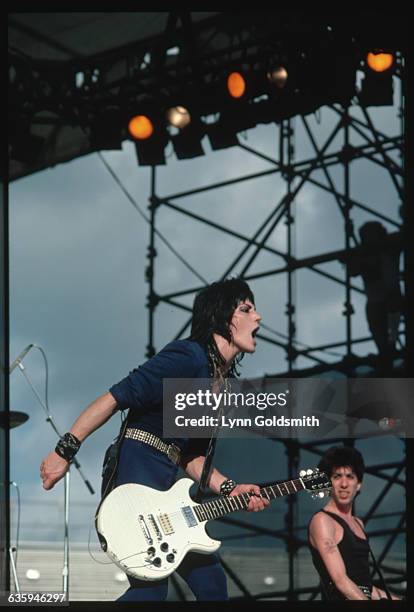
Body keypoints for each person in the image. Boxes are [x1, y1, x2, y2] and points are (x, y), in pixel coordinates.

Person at [40, 278, 269, 601]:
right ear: (222, 317)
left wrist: (232, 489)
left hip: (166, 482)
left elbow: (192, 457)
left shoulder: (222, 388)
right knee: (151, 590)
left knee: (211, 582)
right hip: (138, 465)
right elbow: (115, 396)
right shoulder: (187, 356)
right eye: (246, 309)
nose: (258, 317)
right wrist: (64, 450)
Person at [308, 445, 400, 600]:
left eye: (350, 477)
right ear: (329, 482)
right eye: (337, 476)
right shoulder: (322, 521)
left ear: (359, 484)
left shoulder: (358, 523)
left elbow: (365, 587)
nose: (344, 484)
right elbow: (341, 581)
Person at [347, 221, 403, 372]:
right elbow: (352, 270)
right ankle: (386, 353)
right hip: (376, 300)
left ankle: (389, 351)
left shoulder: (388, 249)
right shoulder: (366, 254)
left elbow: (401, 238)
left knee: (390, 330)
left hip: (390, 297)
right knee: (379, 332)